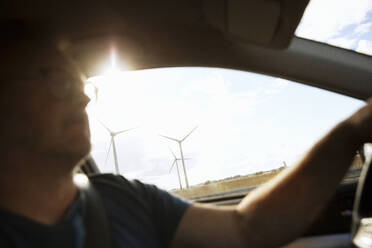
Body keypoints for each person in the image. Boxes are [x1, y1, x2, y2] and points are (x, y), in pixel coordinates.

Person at [1, 20, 372, 248]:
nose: (83, 96)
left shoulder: (124, 198)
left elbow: (248, 229)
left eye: (82, 83)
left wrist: (351, 131)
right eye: (58, 80)